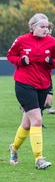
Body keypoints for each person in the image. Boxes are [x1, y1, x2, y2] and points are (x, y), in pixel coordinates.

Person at [7, 13, 55, 169]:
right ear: (32, 27)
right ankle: (39, 159)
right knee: (38, 120)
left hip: (43, 85)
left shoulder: (52, 42)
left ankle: (13, 149)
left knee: (27, 124)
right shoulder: (22, 40)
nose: (46, 30)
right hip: (24, 84)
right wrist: (20, 61)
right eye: (42, 27)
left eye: (47, 27)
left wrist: (51, 62)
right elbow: (10, 55)